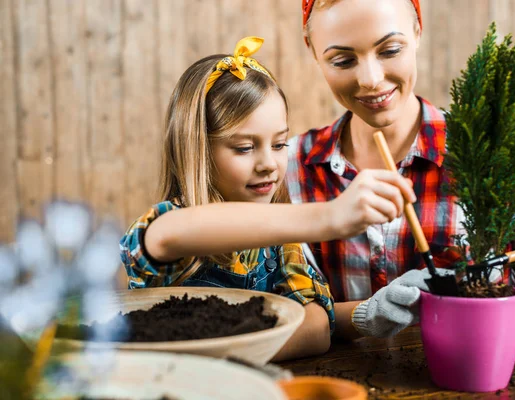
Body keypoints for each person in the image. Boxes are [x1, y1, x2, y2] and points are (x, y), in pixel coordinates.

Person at [288, 0, 515, 339]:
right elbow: (278, 312)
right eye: (343, 60)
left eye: (390, 49)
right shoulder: (288, 168)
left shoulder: (487, 157)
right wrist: (358, 316)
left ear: (418, 30)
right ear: (313, 50)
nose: (371, 79)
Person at [119, 36, 415, 361]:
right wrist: (329, 216)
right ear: (198, 151)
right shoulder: (168, 230)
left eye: (278, 145)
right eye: (245, 148)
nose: (268, 164)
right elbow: (177, 229)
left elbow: (317, 328)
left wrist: (370, 311)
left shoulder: (280, 243)